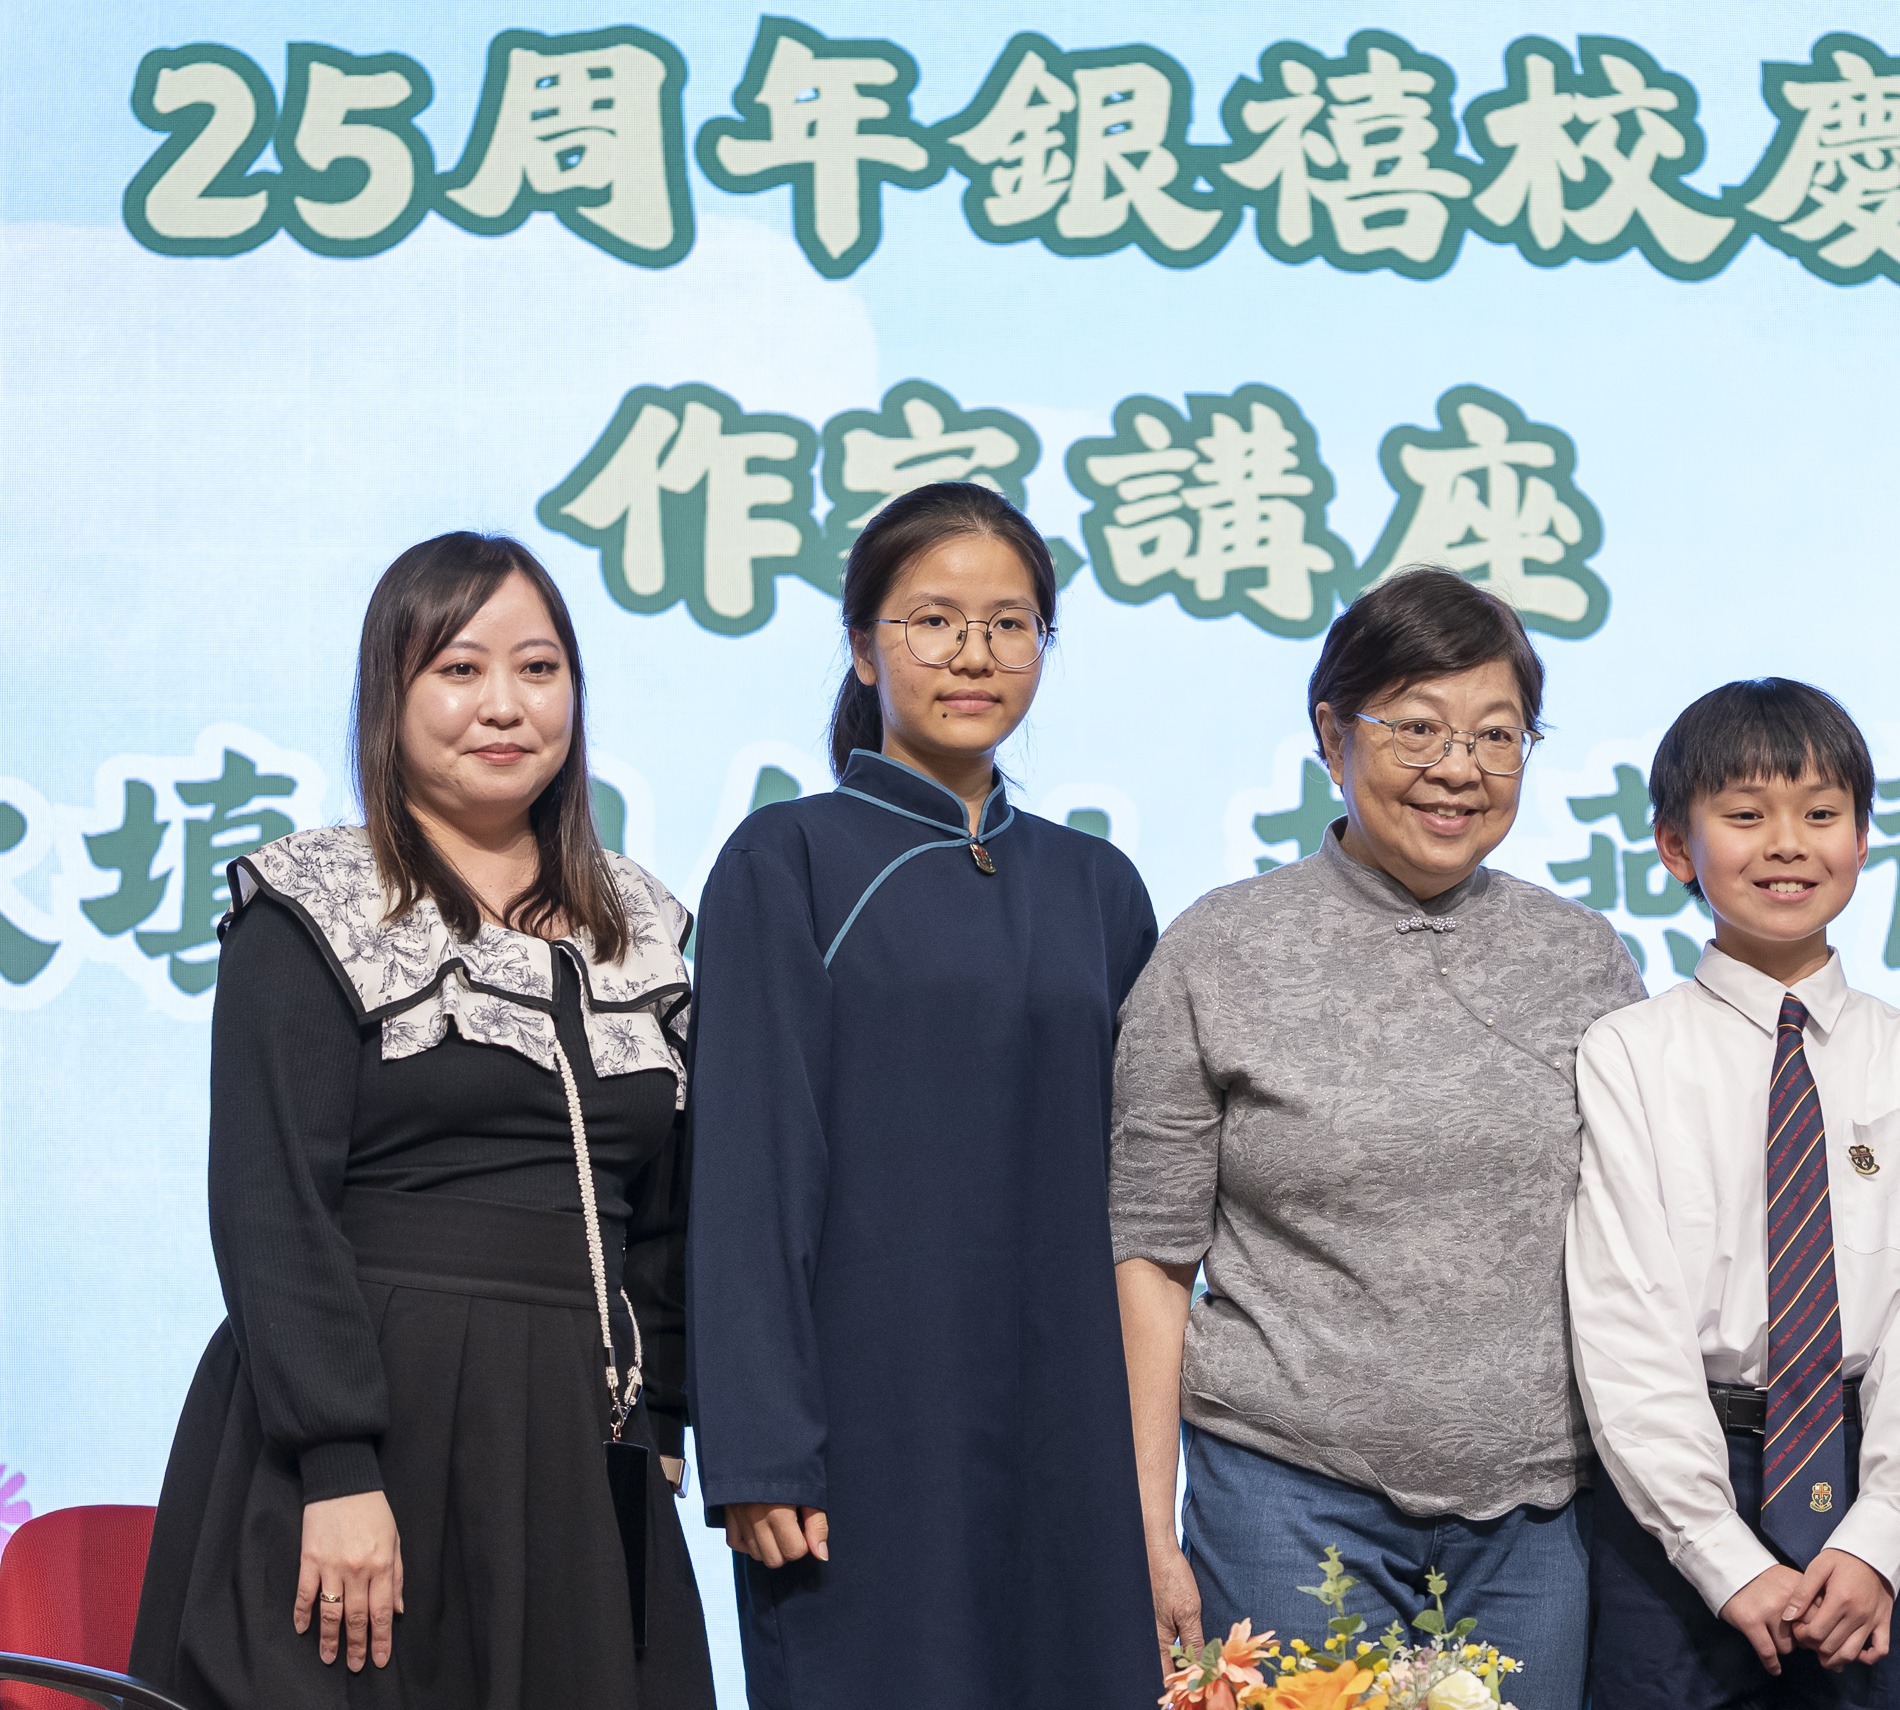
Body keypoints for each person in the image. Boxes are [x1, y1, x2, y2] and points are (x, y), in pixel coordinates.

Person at [1112, 574, 1900, 1710]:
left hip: (1540, 1518)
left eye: (1496, 735)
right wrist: (1146, 1526)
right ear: (1332, 735)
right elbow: (1152, 1251)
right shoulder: (1217, 950)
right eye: (1417, 727)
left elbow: (1711, 1206)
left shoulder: (1584, 962)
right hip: (1289, 1492)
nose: (1458, 766)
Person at [129, 533, 713, 1710]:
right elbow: (270, 1204)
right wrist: (336, 1465)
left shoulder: (643, 924)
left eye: (538, 669)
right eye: (458, 669)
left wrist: (660, 1421)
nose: (503, 705)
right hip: (367, 1425)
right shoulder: (314, 903)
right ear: (388, 696)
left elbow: (669, 1210)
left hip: (577, 1435)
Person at [685, 481, 1160, 1708]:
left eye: (1010, 625)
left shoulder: (1099, 888)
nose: (974, 655)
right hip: (865, 1427)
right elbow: (745, 1170)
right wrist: (759, 1448)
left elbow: (1146, 1190)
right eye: (934, 622)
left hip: (1069, 1426)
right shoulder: (787, 857)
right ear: (863, 647)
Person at [1570, 680, 1900, 1710]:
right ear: (1677, 847)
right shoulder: (1628, 1054)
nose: (1787, 844)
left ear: (1863, 838)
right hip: (1677, 1495)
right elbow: (1624, 1316)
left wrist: (1881, 1534)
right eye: (1747, 815)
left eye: (1821, 813)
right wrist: (1718, 1552)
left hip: (1874, 1481)